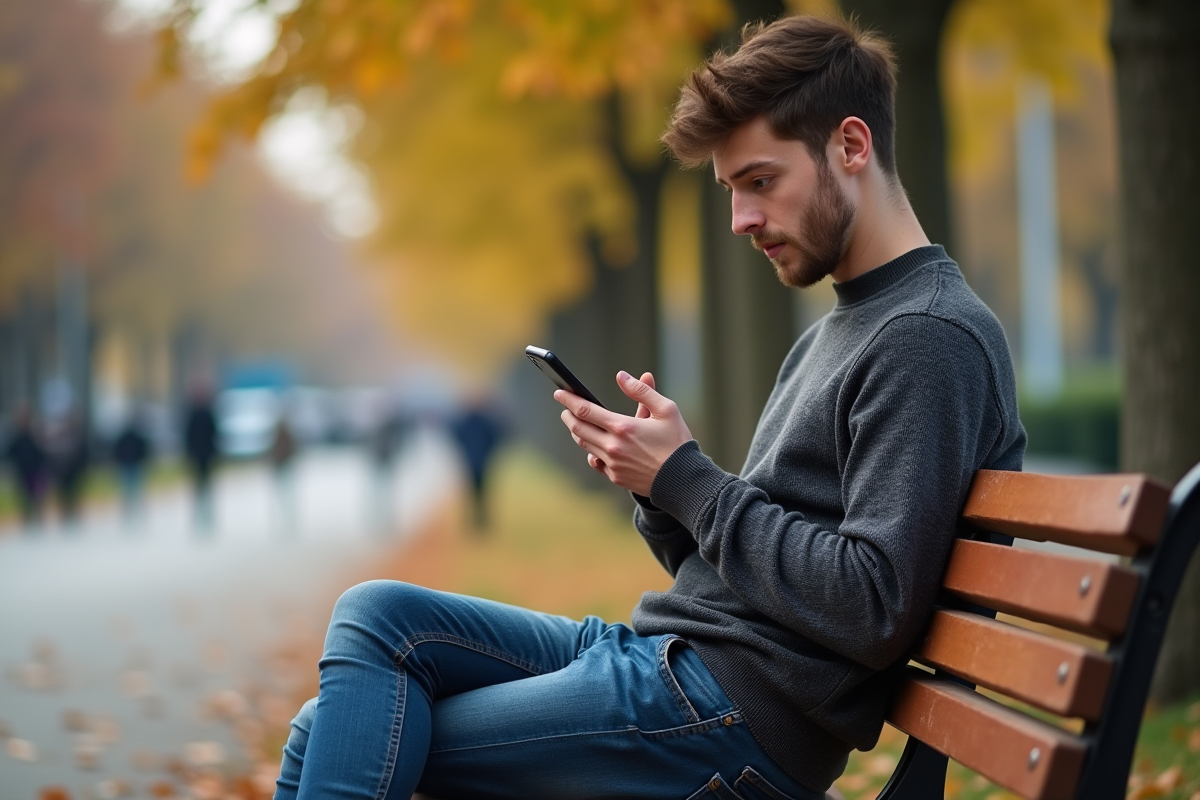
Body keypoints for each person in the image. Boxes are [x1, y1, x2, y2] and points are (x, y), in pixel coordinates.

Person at [274, 14, 1025, 800]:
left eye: (761, 182)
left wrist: (689, 480)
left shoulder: (926, 338)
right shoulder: (842, 330)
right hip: (675, 669)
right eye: (732, 191)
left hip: (725, 714)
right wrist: (660, 490)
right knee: (373, 622)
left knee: (343, 725)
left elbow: (873, 608)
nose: (741, 221)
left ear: (851, 146)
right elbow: (750, 583)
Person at [448, 400, 507, 533]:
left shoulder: (475, 422)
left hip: (477, 460)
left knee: (478, 492)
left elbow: (495, 436)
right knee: (477, 492)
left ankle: (480, 519)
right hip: (477, 460)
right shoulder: (477, 422)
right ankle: (478, 519)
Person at [3, 406, 48, 530]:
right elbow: (9, 453)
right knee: (23, 498)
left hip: (36, 473)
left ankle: (39, 521)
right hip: (22, 473)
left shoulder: (36, 435)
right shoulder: (15, 437)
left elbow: (43, 453)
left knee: (37, 498)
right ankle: (26, 521)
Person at [182, 385, 219, 531]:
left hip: (205, 457)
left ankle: (206, 518)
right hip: (199, 457)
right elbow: (188, 438)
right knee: (199, 490)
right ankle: (200, 518)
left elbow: (214, 436)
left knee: (205, 489)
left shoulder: (207, 414)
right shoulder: (194, 414)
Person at [112, 412, 153, 523]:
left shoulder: (133, 438)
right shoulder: (129, 438)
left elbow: (143, 451)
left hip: (134, 466)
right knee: (131, 492)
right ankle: (130, 514)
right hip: (129, 466)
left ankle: (135, 514)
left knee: (133, 492)